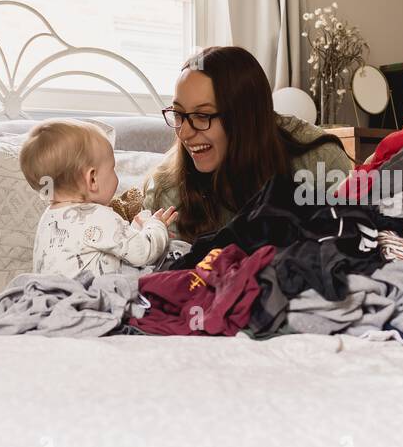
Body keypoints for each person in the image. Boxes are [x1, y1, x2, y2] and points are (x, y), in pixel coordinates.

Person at [139, 46, 354, 241]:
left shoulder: (319, 161)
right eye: (178, 113)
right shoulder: (167, 190)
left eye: (203, 116)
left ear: (244, 118)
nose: (184, 133)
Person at [20, 118, 177, 277]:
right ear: (93, 179)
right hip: (89, 299)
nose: (115, 175)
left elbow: (111, 250)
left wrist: (135, 230)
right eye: (112, 168)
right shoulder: (98, 216)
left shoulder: (49, 218)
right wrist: (157, 226)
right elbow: (143, 253)